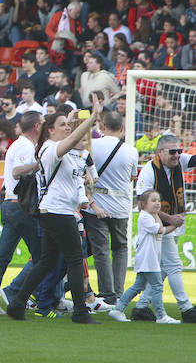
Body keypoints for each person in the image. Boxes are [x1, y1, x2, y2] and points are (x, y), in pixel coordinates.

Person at [6, 97, 105, 324]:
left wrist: (68, 120)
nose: (67, 128)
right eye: (61, 125)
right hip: (59, 212)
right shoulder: (51, 149)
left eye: (67, 125)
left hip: (56, 211)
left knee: (48, 262)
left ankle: (18, 303)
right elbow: (71, 139)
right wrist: (92, 117)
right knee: (74, 257)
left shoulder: (54, 148)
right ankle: (80, 311)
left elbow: (70, 139)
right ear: (49, 130)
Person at [0, 111, 42, 314]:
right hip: (20, 206)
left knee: (2, 255)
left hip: (11, 204)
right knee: (43, 256)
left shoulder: (19, 144)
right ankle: (22, 293)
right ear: (37, 127)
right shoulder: (25, 146)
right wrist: (39, 164)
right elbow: (17, 171)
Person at [130, 133, 196, 323]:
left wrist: (174, 221)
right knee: (174, 265)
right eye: (172, 151)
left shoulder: (180, 162)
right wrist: (170, 219)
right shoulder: (149, 171)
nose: (177, 155)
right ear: (160, 152)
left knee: (164, 269)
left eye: (179, 151)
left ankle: (142, 307)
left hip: (173, 225)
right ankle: (186, 308)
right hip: (157, 226)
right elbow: (143, 204)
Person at [81, 111, 138, 306]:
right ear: (122, 129)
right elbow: (132, 177)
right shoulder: (131, 150)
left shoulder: (92, 146)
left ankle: (107, 293)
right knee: (120, 248)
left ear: (102, 127)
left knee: (101, 250)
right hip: (121, 207)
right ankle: (119, 292)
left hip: (96, 204)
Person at [108, 191, 180, 324]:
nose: (157, 203)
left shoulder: (151, 216)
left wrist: (170, 223)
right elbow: (159, 229)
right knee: (157, 286)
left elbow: (161, 230)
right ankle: (161, 315)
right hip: (148, 260)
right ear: (143, 204)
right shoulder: (145, 217)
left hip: (150, 260)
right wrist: (173, 224)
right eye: (153, 200)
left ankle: (118, 309)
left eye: (158, 200)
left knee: (138, 286)